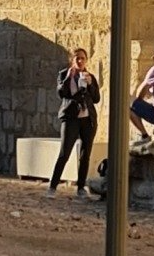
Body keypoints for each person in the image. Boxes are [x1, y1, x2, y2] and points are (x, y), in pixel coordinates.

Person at [47, 46, 100, 198]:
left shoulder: (90, 76)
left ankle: (81, 187)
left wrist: (90, 84)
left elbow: (96, 98)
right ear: (72, 60)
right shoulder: (64, 74)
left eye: (83, 58)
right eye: (77, 58)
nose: (80, 61)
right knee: (65, 153)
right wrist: (68, 79)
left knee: (85, 155)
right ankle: (53, 186)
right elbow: (61, 93)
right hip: (71, 118)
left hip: (87, 119)